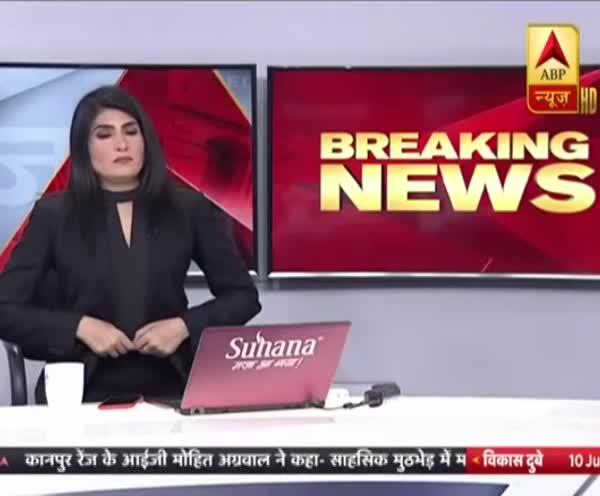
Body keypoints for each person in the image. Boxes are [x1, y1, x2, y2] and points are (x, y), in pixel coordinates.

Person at [0, 85, 261, 404]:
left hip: (171, 383)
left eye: (131, 131)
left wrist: (183, 326)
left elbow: (243, 297)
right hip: (80, 388)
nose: (121, 144)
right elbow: (5, 310)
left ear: (145, 140)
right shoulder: (54, 214)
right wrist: (80, 327)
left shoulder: (188, 208)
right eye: (104, 135)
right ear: (83, 148)